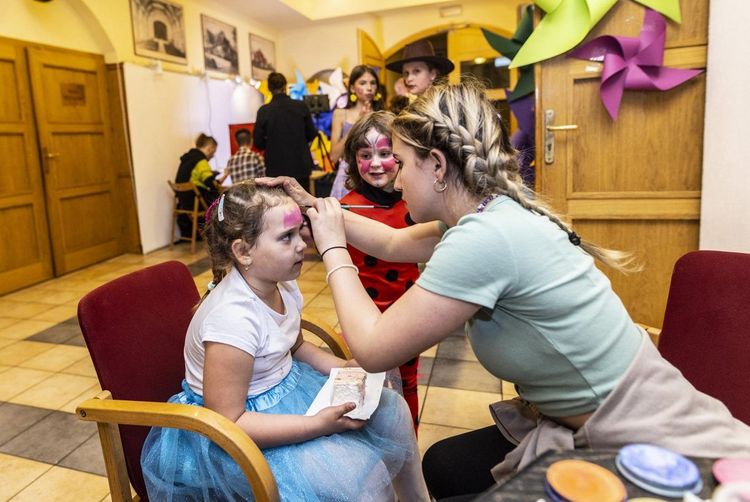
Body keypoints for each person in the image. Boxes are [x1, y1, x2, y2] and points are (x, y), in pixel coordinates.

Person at [262, 80, 750, 500]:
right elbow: (390, 242)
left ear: (436, 165)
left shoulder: (485, 240)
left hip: (638, 432)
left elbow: (371, 349)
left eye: (403, 163)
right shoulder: (486, 214)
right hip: (575, 416)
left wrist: (332, 248)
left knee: (449, 471)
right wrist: (318, 209)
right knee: (445, 465)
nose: (395, 179)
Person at [140, 182, 429, 502]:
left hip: (286, 389)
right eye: (286, 237)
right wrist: (316, 425)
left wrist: (342, 366)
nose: (302, 245)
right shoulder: (232, 319)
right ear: (243, 251)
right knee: (362, 481)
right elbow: (229, 422)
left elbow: (294, 346)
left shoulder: (282, 283)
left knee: (393, 411)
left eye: (299, 232)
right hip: (239, 431)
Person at [340, 111, 421, 430]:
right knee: (364, 384)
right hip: (363, 318)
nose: (375, 163)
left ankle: (409, 444)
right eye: (365, 155)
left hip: (409, 313)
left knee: (408, 383)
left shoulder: (416, 204)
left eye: (385, 153)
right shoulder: (346, 207)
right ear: (353, 160)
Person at [254, 72, 317, 190]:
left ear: (269, 89)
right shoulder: (301, 106)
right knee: (303, 199)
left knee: (278, 200)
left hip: (275, 169)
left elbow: (258, 142)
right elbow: (312, 134)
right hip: (300, 165)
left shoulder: (264, 111)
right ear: (285, 86)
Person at [329, 65, 383, 200]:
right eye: (363, 83)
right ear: (352, 88)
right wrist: (358, 123)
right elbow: (334, 156)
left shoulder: (383, 115)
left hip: (376, 172)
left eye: (373, 83)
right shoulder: (341, 114)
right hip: (348, 175)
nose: (369, 88)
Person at [174, 133, 220, 238]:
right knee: (220, 199)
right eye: (214, 152)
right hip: (194, 201)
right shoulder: (200, 160)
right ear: (210, 148)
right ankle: (217, 234)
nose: (213, 156)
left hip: (182, 201)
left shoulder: (187, 159)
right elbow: (209, 182)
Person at [385, 39, 454, 97]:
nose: (409, 79)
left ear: (432, 74)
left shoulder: (445, 105)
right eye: (406, 73)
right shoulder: (413, 107)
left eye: (416, 71)